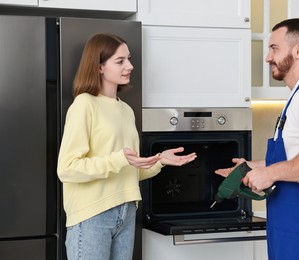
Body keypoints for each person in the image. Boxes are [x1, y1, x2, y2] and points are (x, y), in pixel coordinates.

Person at [57, 33, 197, 260]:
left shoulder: (126, 110)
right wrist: (119, 159)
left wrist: (160, 159)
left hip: (127, 210)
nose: (130, 66)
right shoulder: (84, 104)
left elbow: (128, 169)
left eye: (129, 59)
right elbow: (67, 168)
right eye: (120, 61)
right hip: (93, 214)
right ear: (99, 67)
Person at [216, 18, 299, 260]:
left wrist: (270, 174)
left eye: (274, 48)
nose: (267, 57)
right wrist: (254, 167)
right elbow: (298, 157)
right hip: (292, 225)